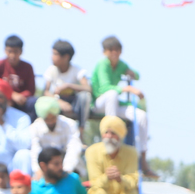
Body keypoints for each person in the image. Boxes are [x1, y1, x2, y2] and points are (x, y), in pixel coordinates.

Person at [91, 36, 149, 168]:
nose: (114, 53)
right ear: (104, 52)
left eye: (117, 50)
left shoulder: (121, 64)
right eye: (111, 50)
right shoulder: (102, 64)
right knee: (112, 94)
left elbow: (137, 75)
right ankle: (110, 136)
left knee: (141, 116)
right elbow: (104, 88)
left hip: (114, 104)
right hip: (99, 103)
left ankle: (142, 157)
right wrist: (128, 88)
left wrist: (130, 72)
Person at [86, 115, 139, 194]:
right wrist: (107, 177)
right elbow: (94, 182)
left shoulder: (131, 153)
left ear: (120, 136)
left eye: (113, 133)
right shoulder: (92, 151)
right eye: (106, 133)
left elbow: (133, 180)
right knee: (101, 193)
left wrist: (120, 178)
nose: (109, 137)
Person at [29, 95, 83, 176]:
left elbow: (74, 147)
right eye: (47, 119)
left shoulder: (69, 124)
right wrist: (38, 170)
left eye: (53, 118)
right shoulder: (34, 127)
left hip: (69, 167)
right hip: (46, 170)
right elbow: (35, 150)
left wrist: (66, 169)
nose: (50, 122)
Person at [45, 39, 93, 130]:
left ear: (66, 57)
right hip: (57, 102)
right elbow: (46, 92)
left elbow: (88, 88)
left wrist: (68, 86)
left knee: (85, 96)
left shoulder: (76, 70)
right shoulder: (51, 70)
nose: (52, 57)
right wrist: (60, 102)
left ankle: (81, 130)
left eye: (55, 54)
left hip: (74, 104)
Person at [0, 34, 37, 118]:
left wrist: (21, 96)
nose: (12, 55)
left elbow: (31, 90)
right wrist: (11, 95)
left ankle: (30, 124)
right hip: (2, 99)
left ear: (21, 51)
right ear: (5, 50)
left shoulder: (28, 67)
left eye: (15, 51)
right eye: (9, 51)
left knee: (33, 102)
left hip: (20, 101)